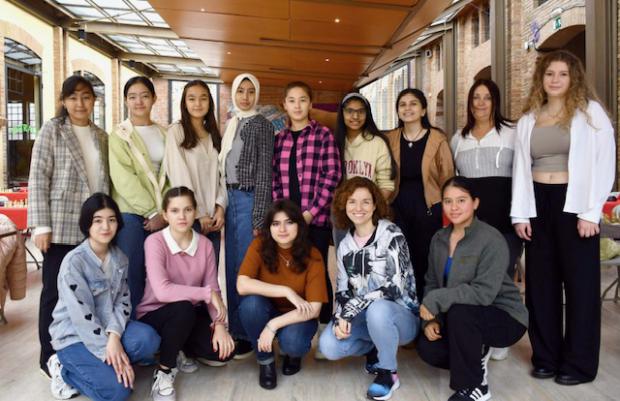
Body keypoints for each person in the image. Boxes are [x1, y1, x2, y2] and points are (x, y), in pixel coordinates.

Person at [511, 50, 615, 385]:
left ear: (574, 79)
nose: (555, 79)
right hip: (538, 206)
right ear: (541, 78)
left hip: (575, 206)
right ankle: (546, 357)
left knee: (580, 287)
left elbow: (604, 165)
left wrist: (590, 212)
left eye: (563, 74)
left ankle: (579, 364)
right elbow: (520, 170)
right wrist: (521, 213)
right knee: (541, 285)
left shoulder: (590, 113)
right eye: (549, 74)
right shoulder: (529, 118)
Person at [28, 75, 110, 377]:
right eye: (73, 97)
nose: (80, 103)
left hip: (93, 230)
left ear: (94, 101)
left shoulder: (101, 135)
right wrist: (40, 226)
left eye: (86, 97)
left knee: (86, 291)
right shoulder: (52, 130)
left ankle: (81, 347)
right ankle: (48, 356)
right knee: (54, 291)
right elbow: (38, 177)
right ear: (63, 101)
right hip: (60, 225)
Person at [417, 176, 528, 401]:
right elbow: (431, 282)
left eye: (461, 200)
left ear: (475, 203)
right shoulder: (439, 239)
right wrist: (432, 319)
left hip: (504, 316)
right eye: (448, 201)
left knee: (461, 311)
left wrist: (437, 300)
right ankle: (476, 349)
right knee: (430, 349)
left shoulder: (491, 239)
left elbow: (483, 293)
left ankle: (475, 385)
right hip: (463, 316)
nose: (454, 207)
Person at [48, 193, 160, 401]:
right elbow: (81, 318)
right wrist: (106, 348)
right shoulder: (74, 263)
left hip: (108, 329)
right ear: (86, 224)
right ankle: (65, 371)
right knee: (118, 391)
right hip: (75, 337)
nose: (105, 227)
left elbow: (123, 301)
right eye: (97, 221)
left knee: (148, 340)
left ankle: (106, 365)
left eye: (111, 220)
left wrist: (114, 337)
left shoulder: (120, 258)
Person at [318, 177, 419, 401]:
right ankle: (374, 349)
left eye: (366, 202)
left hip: (401, 318)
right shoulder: (345, 245)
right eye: (352, 202)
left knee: (378, 310)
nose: (359, 208)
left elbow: (393, 289)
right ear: (344, 205)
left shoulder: (392, 234)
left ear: (375, 205)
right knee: (329, 345)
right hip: (366, 317)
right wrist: (340, 319)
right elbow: (342, 290)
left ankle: (388, 372)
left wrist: (351, 309)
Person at [137, 187, 234, 401]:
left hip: (188, 312)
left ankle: (178, 346)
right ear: (165, 215)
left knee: (224, 351)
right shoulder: (154, 242)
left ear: (195, 211)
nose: (182, 216)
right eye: (175, 211)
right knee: (183, 309)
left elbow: (213, 288)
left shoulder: (206, 245)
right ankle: (164, 371)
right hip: (154, 313)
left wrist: (219, 325)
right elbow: (162, 291)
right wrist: (205, 294)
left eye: (188, 209)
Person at [451, 78, 520, 361]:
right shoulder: (458, 139)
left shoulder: (513, 133)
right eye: (475, 97)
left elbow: (523, 177)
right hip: (471, 225)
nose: (481, 103)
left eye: (487, 97)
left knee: (501, 277)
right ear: (469, 103)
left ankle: (500, 334)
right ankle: (480, 333)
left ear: (495, 101)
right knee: (474, 277)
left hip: (505, 222)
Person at [236, 199, 327, 389]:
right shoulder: (259, 245)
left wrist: (272, 325)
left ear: (299, 226)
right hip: (265, 309)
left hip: (298, 316)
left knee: (293, 343)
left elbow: (315, 309)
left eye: (289, 222)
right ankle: (265, 360)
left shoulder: (313, 255)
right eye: (276, 224)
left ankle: (291, 354)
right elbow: (242, 285)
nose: (282, 229)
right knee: (250, 305)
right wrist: (286, 291)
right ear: (269, 228)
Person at [273, 81, 342, 325]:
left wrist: (310, 213)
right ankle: (295, 327)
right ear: (284, 105)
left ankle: (324, 327)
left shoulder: (323, 135)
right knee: (290, 274)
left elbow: (332, 175)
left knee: (317, 274)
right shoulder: (279, 139)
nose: (297, 105)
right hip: (287, 223)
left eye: (302, 99)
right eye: (292, 100)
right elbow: (275, 182)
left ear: (311, 104)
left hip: (316, 220)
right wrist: (281, 217)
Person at [219, 73, 274, 358]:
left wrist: (259, 216)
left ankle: (246, 334)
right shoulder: (233, 123)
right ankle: (236, 328)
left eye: (251, 91)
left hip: (248, 198)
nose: (245, 97)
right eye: (240, 91)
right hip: (229, 199)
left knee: (244, 267)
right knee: (230, 266)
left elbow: (265, 172)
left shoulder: (261, 124)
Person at [386, 88, 454, 297]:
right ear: (398, 111)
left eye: (413, 103)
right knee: (400, 261)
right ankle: (406, 309)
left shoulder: (437, 139)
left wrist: (449, 209)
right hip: (397, 208)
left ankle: (428, 312)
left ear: (423, 110)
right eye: (403, 104)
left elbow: (448, 176)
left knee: (426, 261)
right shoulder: (391, 138)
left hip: (429, 208)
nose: (408, 108)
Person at [109, 76, 169, 315]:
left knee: (161, 274)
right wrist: (151, 211)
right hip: (131, 213)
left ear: (154, 99)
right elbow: (123, 178)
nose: (139, 101)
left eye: (144, 95)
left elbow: (170, 173)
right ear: (125, 101)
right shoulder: (119, 134)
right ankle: (131, 332)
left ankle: (158, 333)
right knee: (132, 273)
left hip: (163, 214)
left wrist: (165, 212)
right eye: (132, 97)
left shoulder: (164, 134)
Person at [164, 80, 226, 262]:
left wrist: (220, 207)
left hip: (214, 219)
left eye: (203, 98)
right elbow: (178, 175)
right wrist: (198, 213)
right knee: (190, 277)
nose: (198, 104)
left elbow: (224, 176)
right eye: (192, 99)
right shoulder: (176, 132)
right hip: (191, 218)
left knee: (210, 276)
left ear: (210, 103)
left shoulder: (214, 134)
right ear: (184, 103)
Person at [332, 92, 396, 248]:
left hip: (369, 214)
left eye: (361, 111)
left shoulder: (377, 142)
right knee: (345, 258)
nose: (355, 116)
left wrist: (372, 207)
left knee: (372, 261)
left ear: (367, 114)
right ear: (342, 113)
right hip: (342, 212)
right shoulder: (334, 142)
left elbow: (387, 183)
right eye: (349, 111)